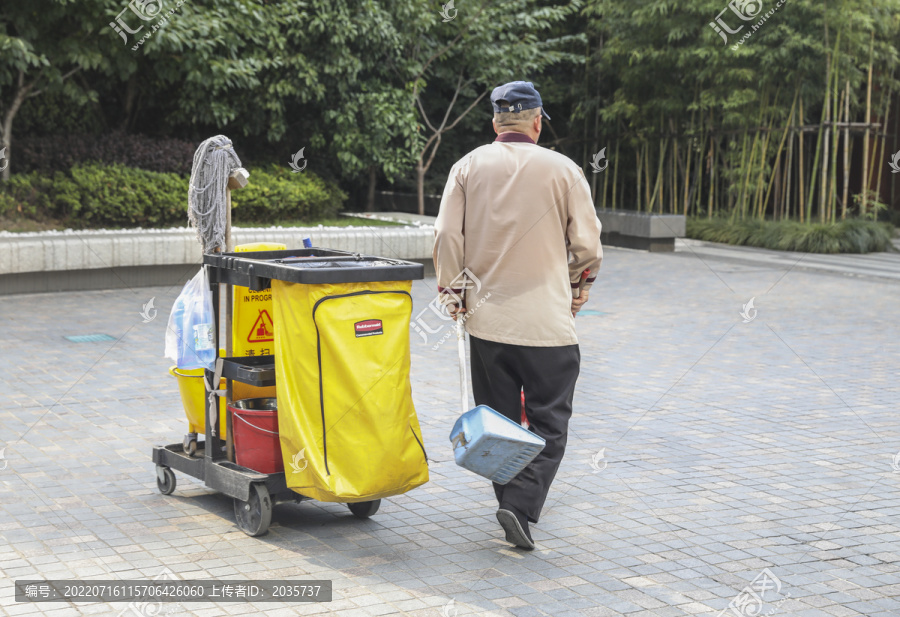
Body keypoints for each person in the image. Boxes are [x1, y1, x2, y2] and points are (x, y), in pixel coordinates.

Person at [433, 81, 603, 550]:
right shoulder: (564, 170)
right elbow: (587, 247)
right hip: (547, 324)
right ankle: (519, 506)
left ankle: (513, 502)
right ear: (538, 121)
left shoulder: (467, 167)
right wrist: (576, 289)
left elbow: (448, 235)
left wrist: (455, 294)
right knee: (549, 424)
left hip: (488, 326)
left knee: (499, 423)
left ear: (495, 122)